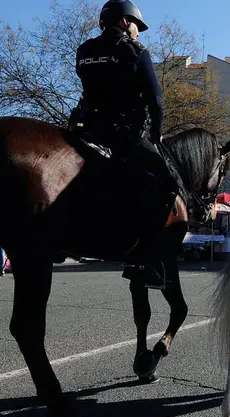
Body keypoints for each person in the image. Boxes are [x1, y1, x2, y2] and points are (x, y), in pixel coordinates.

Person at [73, 0, 178, 289]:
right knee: (168, 184)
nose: (138, 33)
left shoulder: (85, 51)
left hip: (85, 132)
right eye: (136, 25)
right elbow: (156, 99)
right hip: (122, 136)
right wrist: (156, 135)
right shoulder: (135, 52)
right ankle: (141, 260)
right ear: (123, 21)